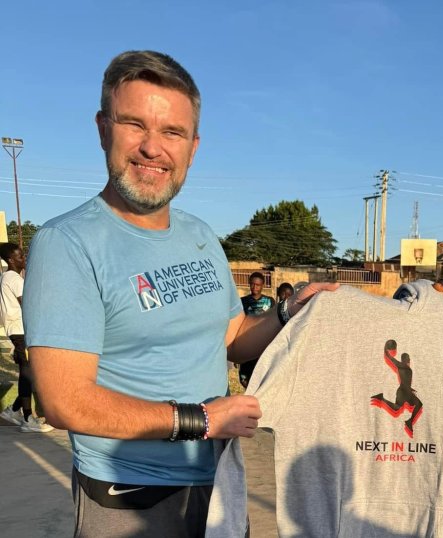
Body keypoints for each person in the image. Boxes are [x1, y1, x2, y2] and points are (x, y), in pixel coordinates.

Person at [22, 50, 337, 537]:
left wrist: (287, 311)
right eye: (134, 125)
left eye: (172, 132)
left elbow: (232, 336)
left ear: (193, 146)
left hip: (218, 483)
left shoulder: (200, 235)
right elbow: (66, 401)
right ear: (104, 128)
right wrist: (203, 421)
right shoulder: (68, 243)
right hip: (132, 498)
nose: (153, 148)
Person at [0, 243, 53, 433]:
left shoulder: (6, 277)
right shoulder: (14, 279)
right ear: (10, 260)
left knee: (29, 373)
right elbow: (29, 306)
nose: (24, 259)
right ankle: (28, 418)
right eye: (20, 256)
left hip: (18, 331)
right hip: (22, 331)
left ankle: (13, 410)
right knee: (27, 373)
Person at [238, 272, 276, 387]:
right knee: (245, 379)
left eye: (258, 285)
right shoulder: (242, 301)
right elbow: (239, 323)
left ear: (262, 285)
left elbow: (273, 322)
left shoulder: (269, 301)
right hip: (247, 343)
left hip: (263, 346)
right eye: (252, 284)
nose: (255, 287)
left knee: (262, 377)